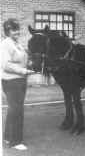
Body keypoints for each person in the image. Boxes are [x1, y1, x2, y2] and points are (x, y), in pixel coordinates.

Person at [1, 19, 34, 150]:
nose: (17, 32)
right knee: (17, 110)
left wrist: (29, 64)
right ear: (7, 32)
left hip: (19, 80)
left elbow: (21, 59)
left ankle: (8, 136)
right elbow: (5, 65)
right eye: (13, 30)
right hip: (11, 81)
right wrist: (23, 71)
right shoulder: (5, 44)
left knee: (13, 109)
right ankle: (16, 142)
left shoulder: (17, 44)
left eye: (18, 29)